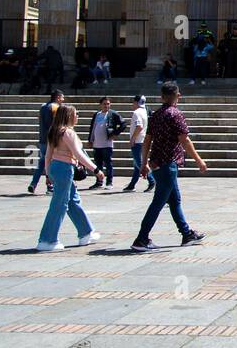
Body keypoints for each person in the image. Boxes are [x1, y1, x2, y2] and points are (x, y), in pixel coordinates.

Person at [132, 82, 208, 252]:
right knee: (158, 202)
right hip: (169, 164)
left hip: (157, 163)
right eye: (178, 95)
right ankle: (141, 239)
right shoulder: (175, 114)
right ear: (177, 96)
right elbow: (184, 140)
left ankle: (186, 233)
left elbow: (147, 140)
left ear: (162, 97)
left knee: (174, 200)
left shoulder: (156, 115)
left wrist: (144, 163)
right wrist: (198, 160)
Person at [33, 104, 103, 251]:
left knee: (72, 200)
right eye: (76, 114)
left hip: (56, 167)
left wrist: (48, 172)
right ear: (69, 116)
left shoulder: (55, 131)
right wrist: (95, 169)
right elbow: (78, 154)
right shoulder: (68, 133)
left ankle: (86, 232)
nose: (77, 116)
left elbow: (48, 154)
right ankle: (47, 240)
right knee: (59, 204)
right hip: (65, 168)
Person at [28, 90, 64, 195]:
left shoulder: (43, 107)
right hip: (51, 140)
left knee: (42, 162)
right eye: (62, 97)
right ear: (57, 97)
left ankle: (33, 184)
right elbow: (54, 125)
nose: (63, 100)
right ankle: (50, 186)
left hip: (42, 139)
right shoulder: (55, 107)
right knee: (50, 163)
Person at [121, 95, 155, 193]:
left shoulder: (136, 113)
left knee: (140, 163)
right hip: (143, 140)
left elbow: (139, 126)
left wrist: (133, 139)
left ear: (136, 102)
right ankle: (132, 185)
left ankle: (152, 180)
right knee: (137, 164)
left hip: (138, 141)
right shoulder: (145, 111)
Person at [87, 97, 123, 190]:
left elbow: (123, 124)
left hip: (107, 144)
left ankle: (109, 182)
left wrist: (115, 133)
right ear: (100, 105)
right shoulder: (97, 115)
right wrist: (90, 140)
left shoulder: (112, 114)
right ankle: (99, 182)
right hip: (96, 144)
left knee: (108, 164)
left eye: (108, 104)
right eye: (104, 104)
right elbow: (92, 128)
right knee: (98, 164)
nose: (106, 106)